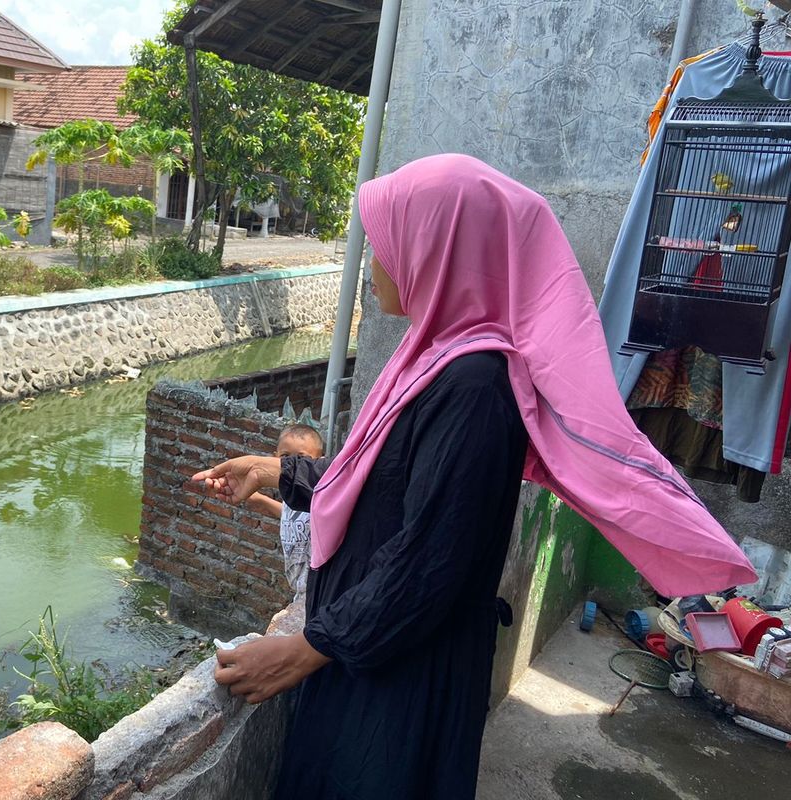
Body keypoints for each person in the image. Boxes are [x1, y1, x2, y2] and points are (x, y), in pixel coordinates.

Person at [192, 154, 755, 800]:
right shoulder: (434, 356)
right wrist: (277, 471)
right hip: (364, 654)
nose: (375, 259)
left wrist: (301, 650)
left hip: (399, 680)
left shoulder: (477, 387)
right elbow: (380, 481)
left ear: (436, 252)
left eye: (387, 243)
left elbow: (428, 561)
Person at [246, 424, 325, 604]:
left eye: (301, 458)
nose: (293, 464)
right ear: (276, 458)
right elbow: (291, 515)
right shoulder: (291, 495)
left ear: (319, 461)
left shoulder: (317, 497)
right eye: (285, 457)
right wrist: (261, 500)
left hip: (313, 585)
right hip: (297, 582)